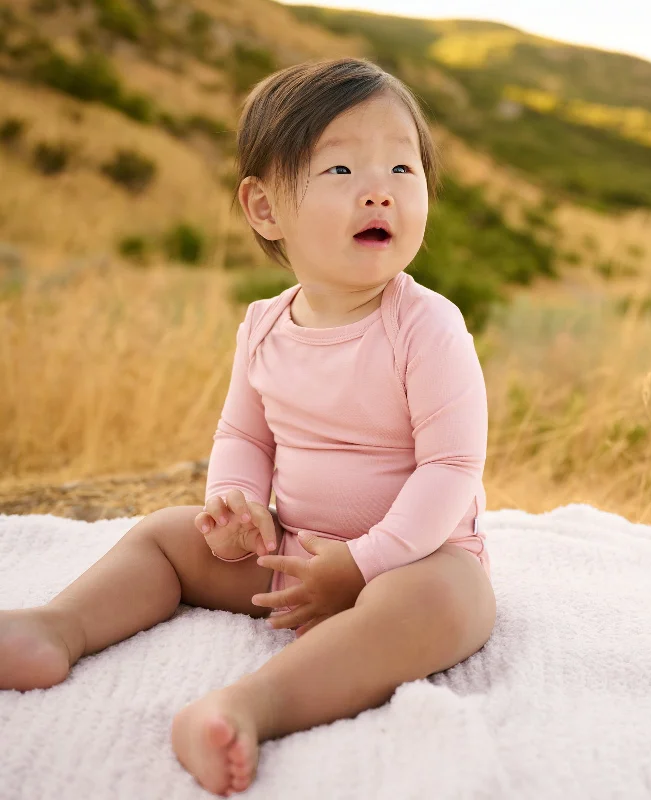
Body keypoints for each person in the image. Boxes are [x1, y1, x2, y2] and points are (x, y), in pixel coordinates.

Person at [0, 57, 496, 796]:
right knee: (167, 536)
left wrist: (363, 565)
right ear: (266, 210)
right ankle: (55, 627)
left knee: (447, 603)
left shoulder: (426, 326)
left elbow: (451, 471)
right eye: (340, 171)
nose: (379, 188)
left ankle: (252, 704)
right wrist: (236, 501)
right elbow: (245, 437)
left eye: (403, 166)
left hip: (412, 562)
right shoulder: (264, 326)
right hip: (291, 558)